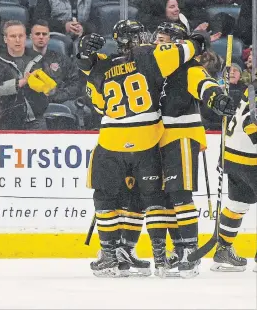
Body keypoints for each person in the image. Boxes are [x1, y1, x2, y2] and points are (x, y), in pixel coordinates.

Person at [77, 19, 210, 278]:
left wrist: (84, 54)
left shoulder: (102, 65)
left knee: (105, 199)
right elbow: (186, 51)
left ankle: (111, 255)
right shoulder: (151, 56)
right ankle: (161, 259)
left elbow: (98, 105)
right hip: (148, 139)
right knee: (152, 199)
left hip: (111, 141)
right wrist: (196, 41)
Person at [154, 22, 235, 278]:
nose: (157, 43)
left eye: (163, 39)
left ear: (178, 45)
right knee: (163, 199)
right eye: (156, 38)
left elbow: (204, 85)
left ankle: (190, 249)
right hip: (153, 138)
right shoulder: (150, 66)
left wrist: (217, 98)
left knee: (180, 195)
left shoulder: (188, 68)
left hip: (181, 136)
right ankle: (178, 249)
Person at [211, 80, 257, 273]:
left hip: (234, 155)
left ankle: (223, 250)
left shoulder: (253, 87)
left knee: (238, 203)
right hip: (249, 158)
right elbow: (251, 122)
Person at [0, 20, 54, 130]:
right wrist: (20, 83)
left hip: (37, 120)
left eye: (20, 36)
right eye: (13, 36)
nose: (17, 40)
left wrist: (49, 89)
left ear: (25, 37)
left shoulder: (38, 58)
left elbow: (51, 88)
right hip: (7, 121)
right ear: (5, 39)